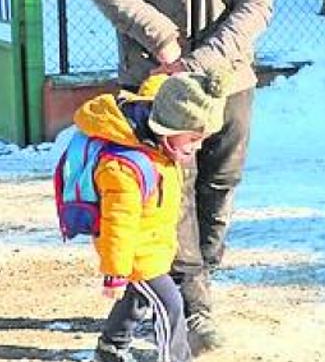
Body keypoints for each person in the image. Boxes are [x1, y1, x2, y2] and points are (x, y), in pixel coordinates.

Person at [82, 0, 278, 353]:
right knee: (171, 194)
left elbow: (255, 7)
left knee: (220, 181)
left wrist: (196, 62)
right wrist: (163, 40)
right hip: (152, 78)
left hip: (226, 76)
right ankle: (192, 305)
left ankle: (193, 278)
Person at [79, 71, 230, 362]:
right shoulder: (123, 167)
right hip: (134, 253)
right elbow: (118, 224)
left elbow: (160, 88)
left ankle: (111, 347)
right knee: (169, 305)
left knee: (137, 298)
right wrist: (116, 272)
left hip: (154, 244)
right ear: (167, 127)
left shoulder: (161, 140)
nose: (196, 148)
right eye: (194, 139)